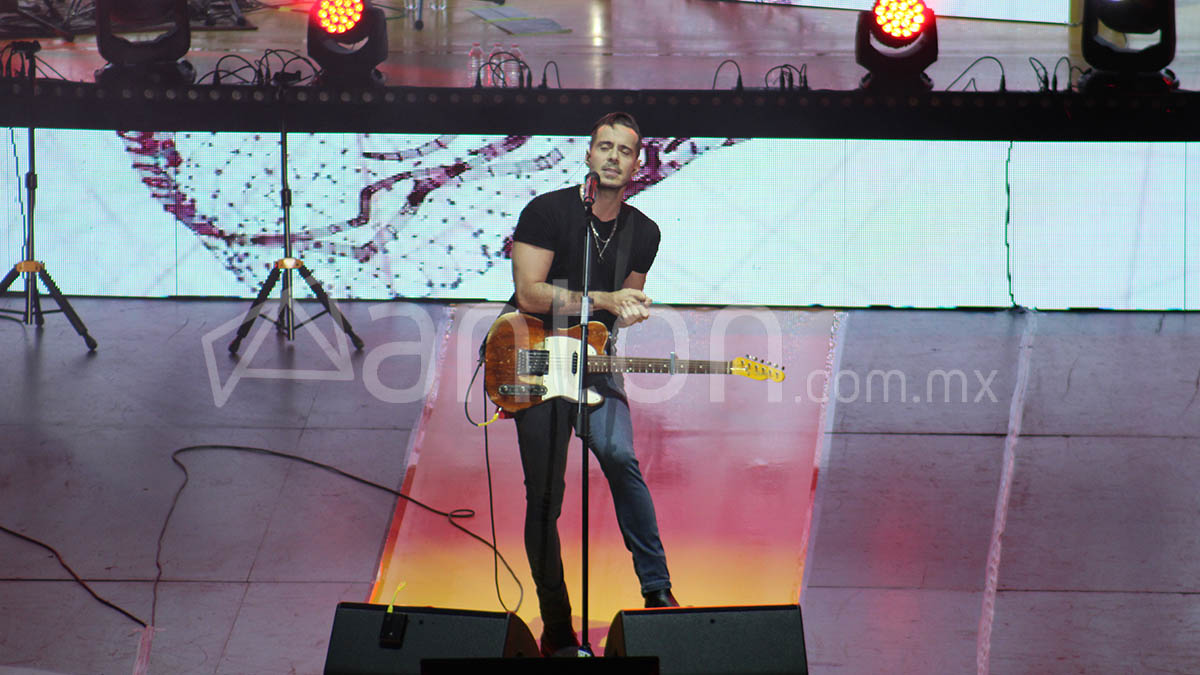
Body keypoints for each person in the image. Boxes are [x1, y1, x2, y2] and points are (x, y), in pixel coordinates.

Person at [507, 111, 678, 657]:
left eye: (623, 150)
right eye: (604, 146)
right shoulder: (547, 211)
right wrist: (601, 301)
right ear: (588, 154)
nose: (612, 157)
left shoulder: (644, 232)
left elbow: (619, 311)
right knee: (546, 498)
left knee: (620, 456)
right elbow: (531, 294)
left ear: (636, 164)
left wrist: (625, 313)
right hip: (534, 356)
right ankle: (558, 627)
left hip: (592, 360)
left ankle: (658, 592)